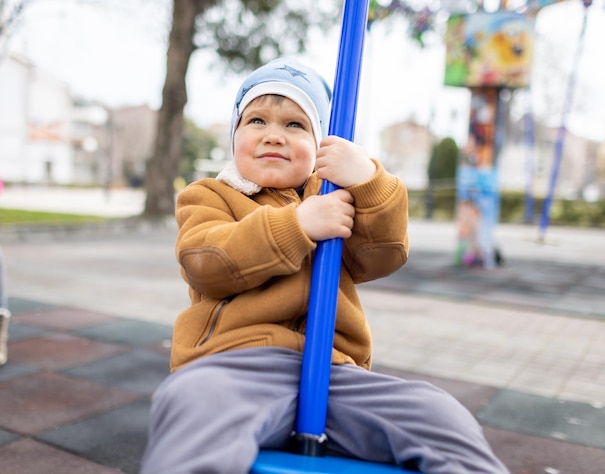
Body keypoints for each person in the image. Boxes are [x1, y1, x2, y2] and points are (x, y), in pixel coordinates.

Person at [141, 57, 508, 474]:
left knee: (440, 413)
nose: (274, 136)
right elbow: (205, 261)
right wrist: (295, 226)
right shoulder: (209, 196)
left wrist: (368, 180)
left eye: (295, 125)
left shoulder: (336, 196)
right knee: (192, 404)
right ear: (234, 135)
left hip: (335, 374)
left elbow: (384, 252)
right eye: (256, 121)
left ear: (320, 145)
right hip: (237, 365)